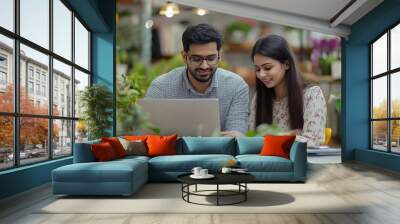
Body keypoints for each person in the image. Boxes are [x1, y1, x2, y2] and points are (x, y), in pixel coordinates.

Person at [145, 24, 249, 134]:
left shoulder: (236, 86)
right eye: (196, 59)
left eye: (210, 58)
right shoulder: (162, 86)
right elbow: (148, 133)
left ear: (219, 56)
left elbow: (237, 136)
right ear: (184, 57)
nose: (204, 66)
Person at [248, 35, 327, 147]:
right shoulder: (259, 97)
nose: (261, 74)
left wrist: (275, 137)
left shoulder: (312, 95)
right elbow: (253, 141)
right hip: (266, 163)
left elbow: (313, 141)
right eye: (257, 69)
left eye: (267, 68)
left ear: (286, 64)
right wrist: (290, 136)